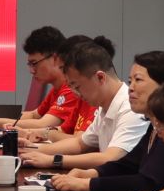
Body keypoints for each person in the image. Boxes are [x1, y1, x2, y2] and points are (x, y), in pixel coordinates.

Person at [57, 68, 164, 191]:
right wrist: (91, 174)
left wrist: (87, 183)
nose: (130, 88)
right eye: (130, 81)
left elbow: (150, 184)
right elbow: (129, 165)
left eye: (138, 80)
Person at [19, 37, 144, 173]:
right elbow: (79, 143)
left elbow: (110, 158)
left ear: (100, 77)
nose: (76, 94)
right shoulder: (104, 106)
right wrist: (32, 149)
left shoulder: (130, 108)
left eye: (77, 87)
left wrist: (53, 160)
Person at [0, 25, 89, 135]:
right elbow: (34, 115)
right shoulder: (56, 89)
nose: (32, 71)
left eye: (34, 63)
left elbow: (43, 125)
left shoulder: (71, 90)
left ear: (55, 58)